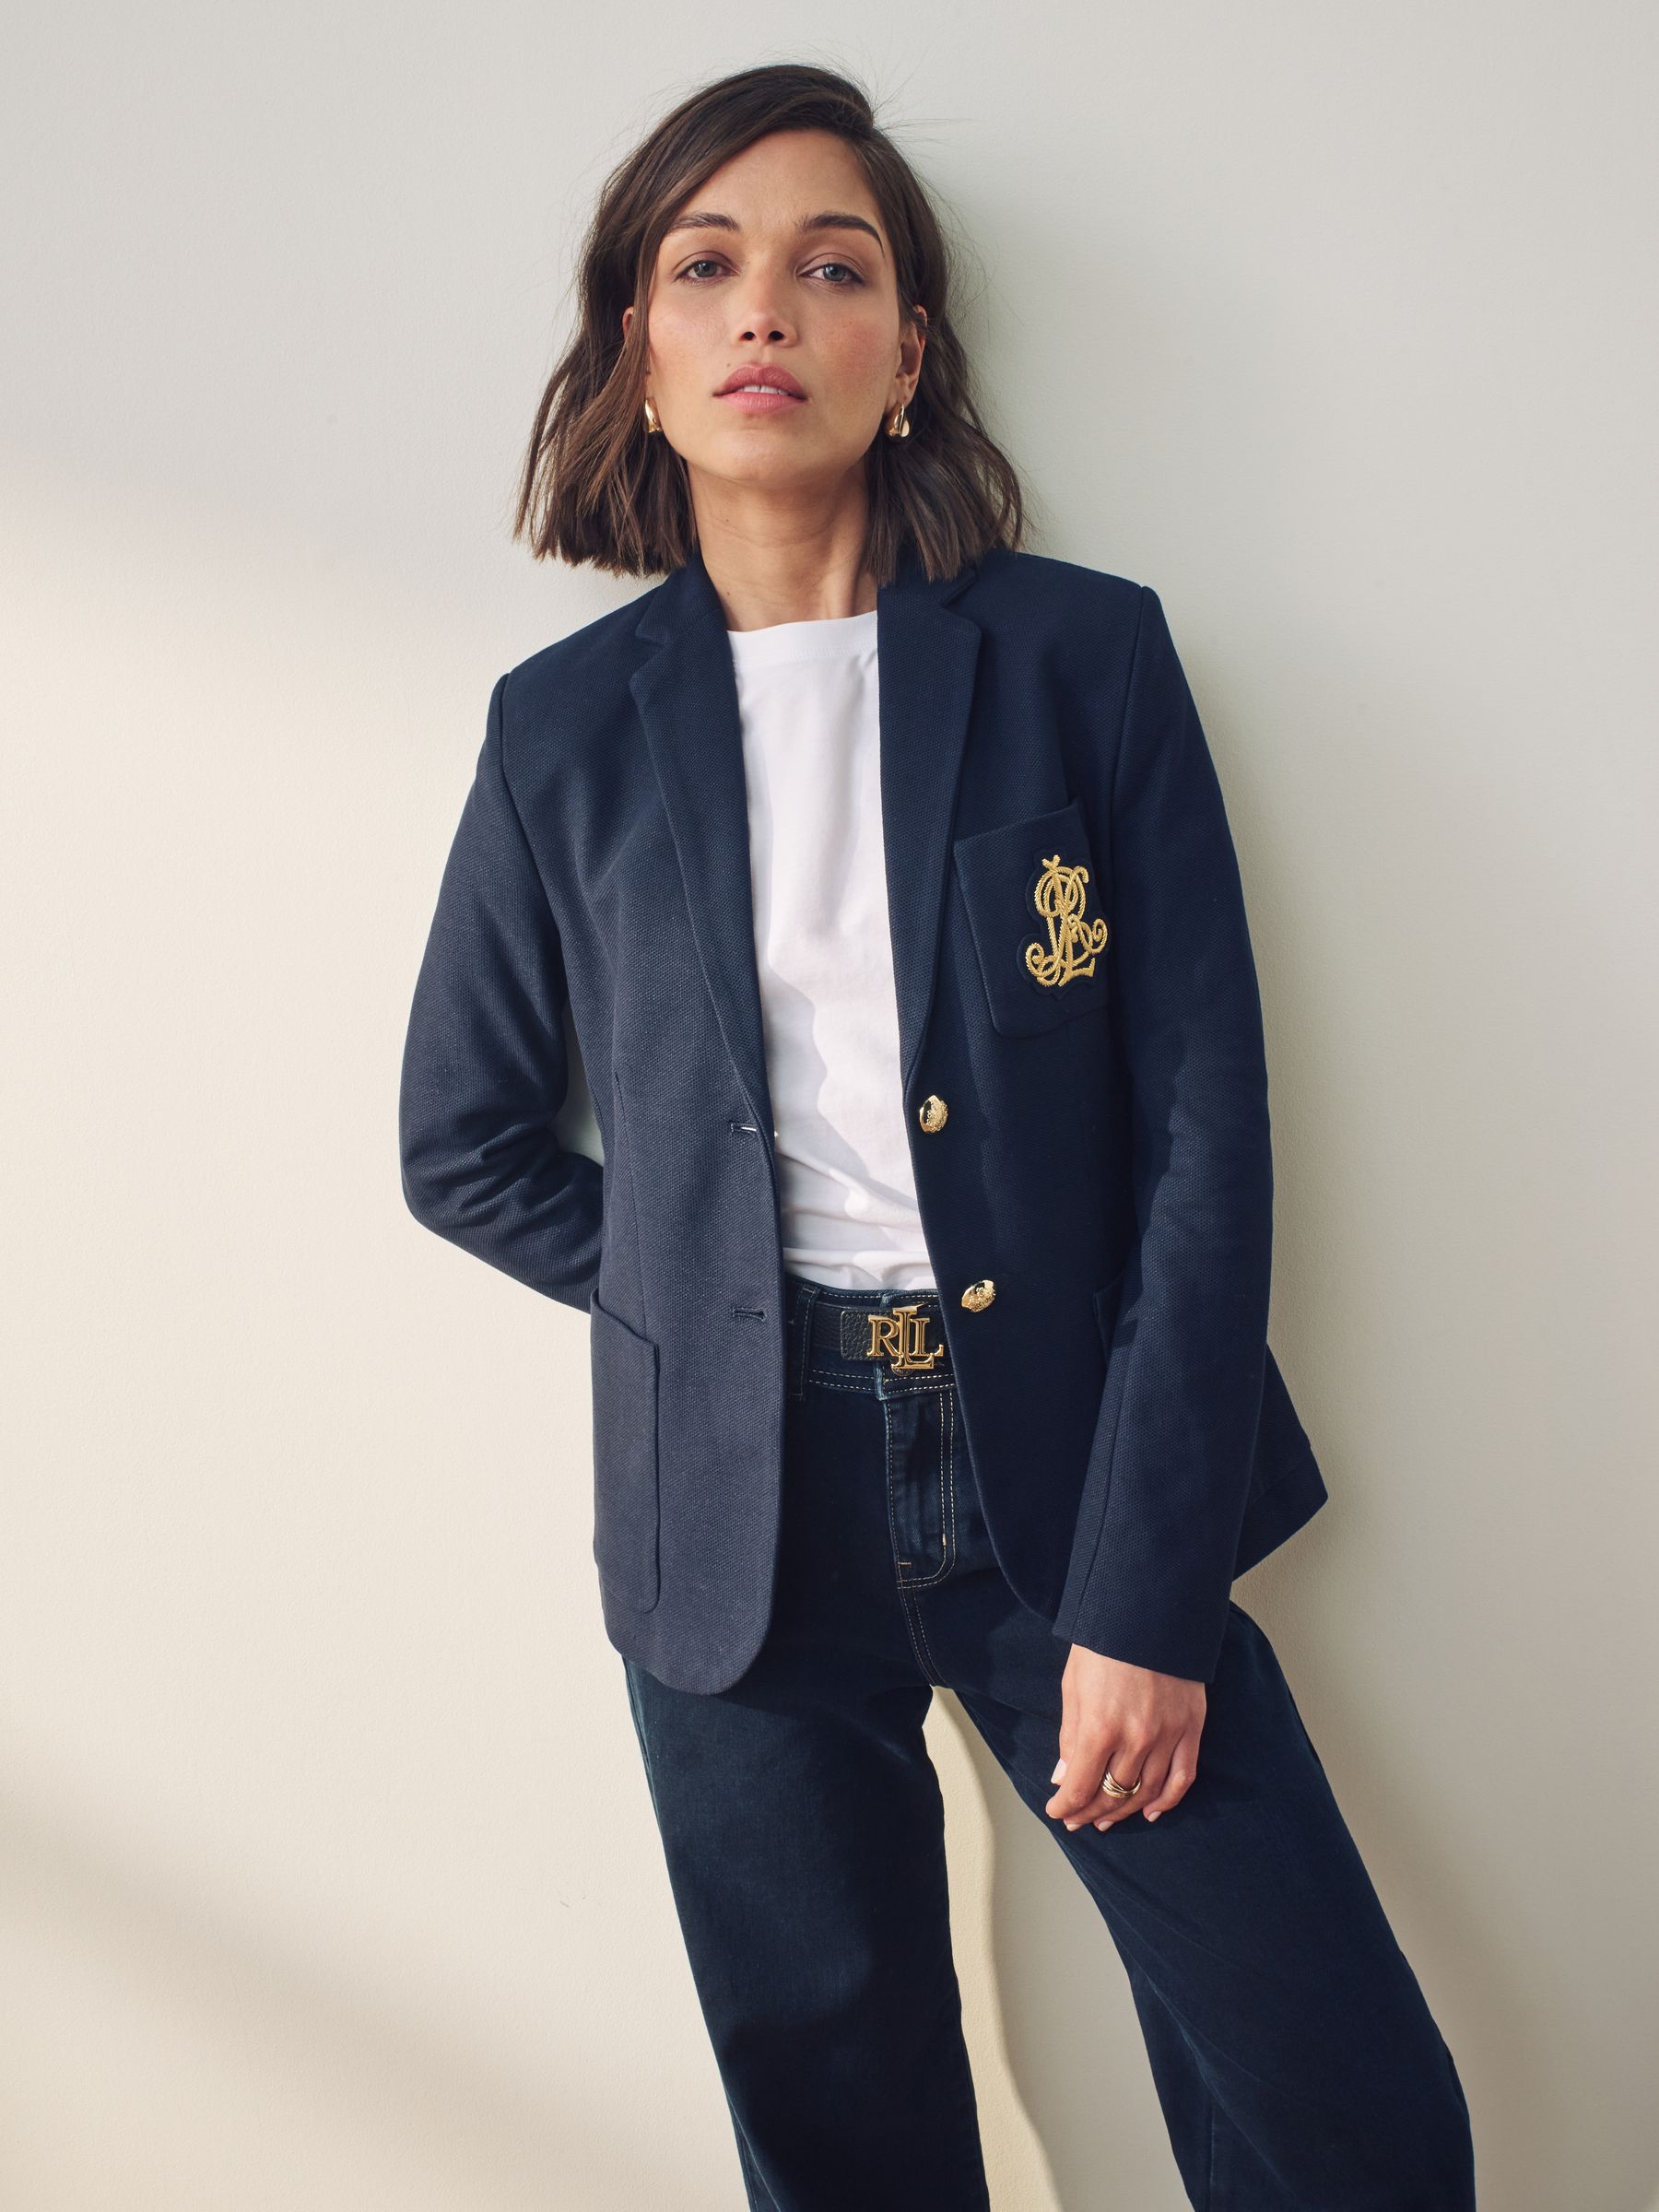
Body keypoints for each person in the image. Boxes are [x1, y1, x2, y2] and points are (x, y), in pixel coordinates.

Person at [398, 61, 1477, 2212]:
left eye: (833, 266)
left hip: (1069, 1468)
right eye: (705, 267)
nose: (765, 308)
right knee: (845, 2136)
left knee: (1344, 2115)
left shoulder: (1083, 661)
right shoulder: (564, 734)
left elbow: (1201, 1140)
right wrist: (714, 1299)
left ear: (908, 355)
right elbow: (464, 1142)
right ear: (641, 351)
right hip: (737, 1511)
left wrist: (1148, 1599)